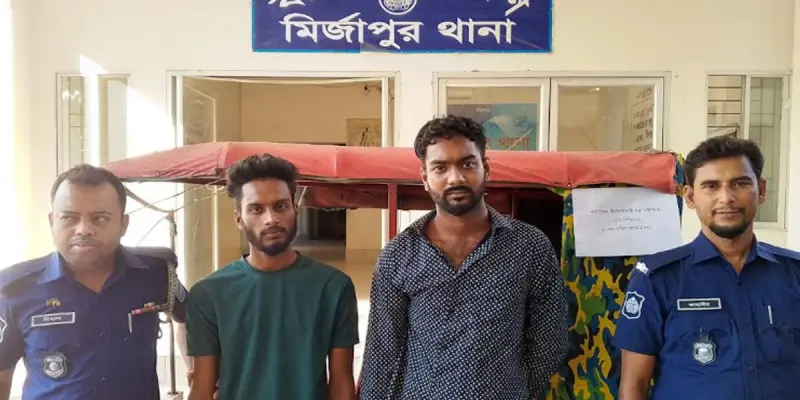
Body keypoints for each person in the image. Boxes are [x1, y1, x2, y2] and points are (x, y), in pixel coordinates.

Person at [358, 115, 570, 399]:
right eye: (440, 167)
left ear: (486, 169)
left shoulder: (529, 246)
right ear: (425, 178)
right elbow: (382, 354)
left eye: (467, 164)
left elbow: (550, 339)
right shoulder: (398, 255)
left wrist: (512, 390)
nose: (455, 178)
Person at [613, 136, 800, 399]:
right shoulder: (657, 279)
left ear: (761, 190)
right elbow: (634, 384)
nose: (727, 198)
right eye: (711, 186)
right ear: (690, 197)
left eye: (740, 183)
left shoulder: (794, 273)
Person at [0, 164, 189, 400]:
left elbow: (193, 320)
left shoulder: (155, 274)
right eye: (69, 217)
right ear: (52, 221)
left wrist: (198, 376)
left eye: (100, 218)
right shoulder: (15, 289)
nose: (83, 229)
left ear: (123, 224)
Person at [185, 154, 359, 400]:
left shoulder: (334, 287)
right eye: (256, 209)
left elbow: (342, 382)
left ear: (295, 210)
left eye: (281, 206)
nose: (271, 219)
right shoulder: (208, 294)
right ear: (239, 219)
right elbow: (202, 388)